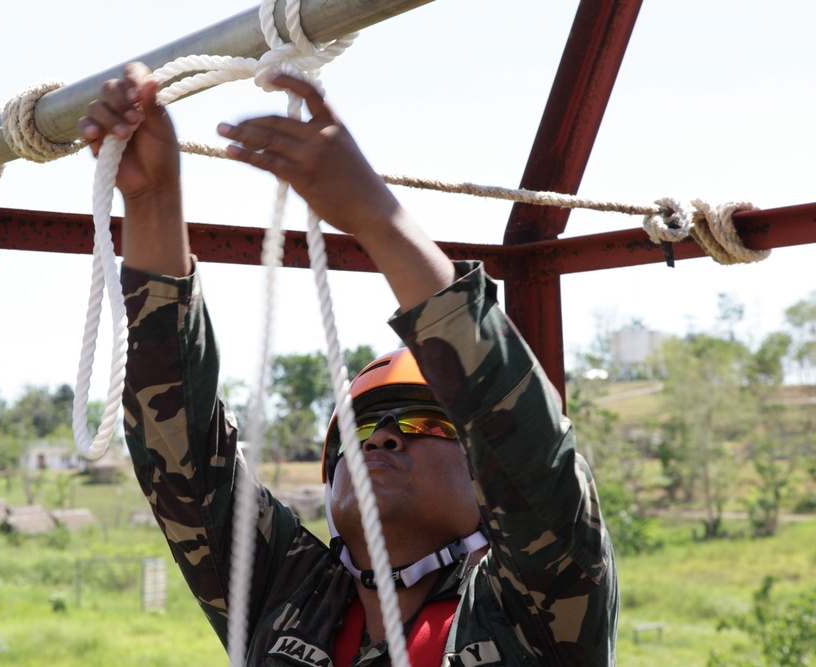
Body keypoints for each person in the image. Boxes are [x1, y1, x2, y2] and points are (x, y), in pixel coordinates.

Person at [80, 62, 618, 666]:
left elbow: (529, 450)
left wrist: (374, 216)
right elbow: (176, 450)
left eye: (419, 422)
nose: (381, 437)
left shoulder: (533, 604)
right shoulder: (287, 592)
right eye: (358, 432)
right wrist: (152, 198)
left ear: (487, 483)